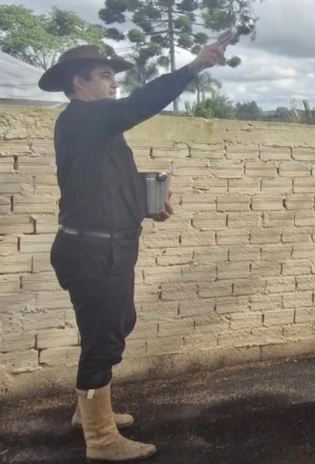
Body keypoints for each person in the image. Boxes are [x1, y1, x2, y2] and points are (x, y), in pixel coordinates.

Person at [38, 37, 229, 462]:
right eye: (105, 75)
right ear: (79, 82)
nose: (114, 83)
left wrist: (145, 205)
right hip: (93, 250)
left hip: (104, 246)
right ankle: (101, 440)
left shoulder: (94, 129)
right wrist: (194, 66)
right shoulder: (82, 118)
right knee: (102, 341)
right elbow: (143, 102)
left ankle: (88, 410)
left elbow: (104, 182)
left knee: (118, 324)